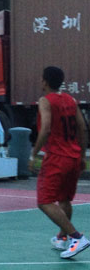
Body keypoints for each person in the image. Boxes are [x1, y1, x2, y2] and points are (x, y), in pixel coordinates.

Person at [30, 66, 88, 259]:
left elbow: (46, 129)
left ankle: (77, 238)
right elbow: (82, 128)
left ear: (45, 81)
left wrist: (34, 154)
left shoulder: (45, 101)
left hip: (57, 157)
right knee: (64, 199)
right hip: (73, 157)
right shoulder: (71, 100)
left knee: (44, 202)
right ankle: (62, 238)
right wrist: (82, 156)